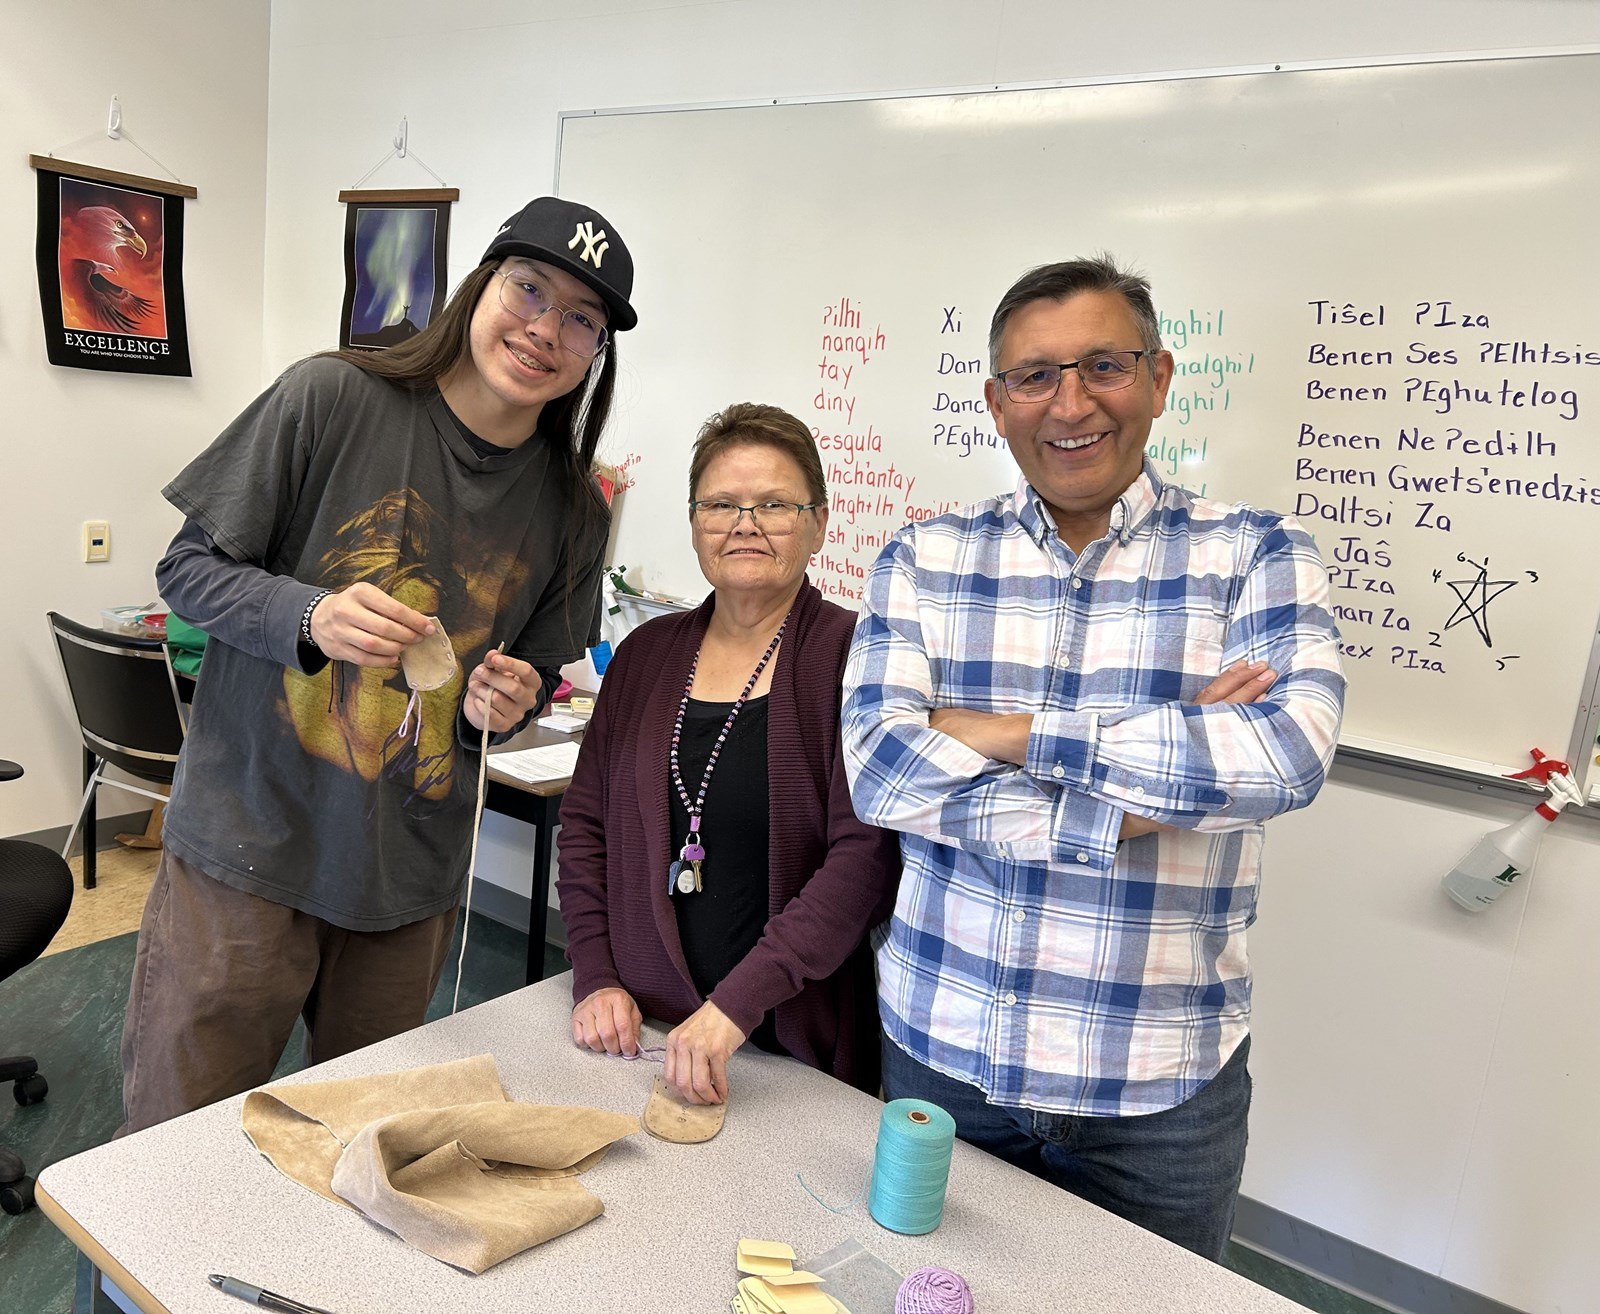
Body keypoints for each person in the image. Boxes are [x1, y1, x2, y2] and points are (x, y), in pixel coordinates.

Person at [841, 256, 1345, 1260]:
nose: (1069, 403)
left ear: (1157, 379)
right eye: (1034, 376)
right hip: (945, 1061)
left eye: (1102, 366)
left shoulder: (1257, 556)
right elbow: (883, 773)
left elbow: (1286, 756)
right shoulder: (923, 560)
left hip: (1157, 1090)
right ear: (995, 401)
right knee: (926, 1288)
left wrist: (1001, 732)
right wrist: (1158, 767)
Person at [120, 197, 637, 1133]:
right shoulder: (331, 397)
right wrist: (309, 613)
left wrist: (509, 699)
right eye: (530, 288)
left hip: (407, 886)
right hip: (249, 854)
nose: (544, 329)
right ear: (481, 285)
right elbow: (185, 572)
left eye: (580, 319)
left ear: (595, 351)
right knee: (170, 1150)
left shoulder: (575, 508)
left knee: (355, 1158)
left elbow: (528, 686)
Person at [557, 403, 900, 1105]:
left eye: (774, 504)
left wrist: (735, 1007)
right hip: (636, 1032)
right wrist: (595, 976)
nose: (745, 523)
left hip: (785, 1045)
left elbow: (864, 863)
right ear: (694, 524)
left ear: (819, 524)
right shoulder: (645, 655)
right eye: (721, 504)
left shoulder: (854, 656)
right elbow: (585, 827)